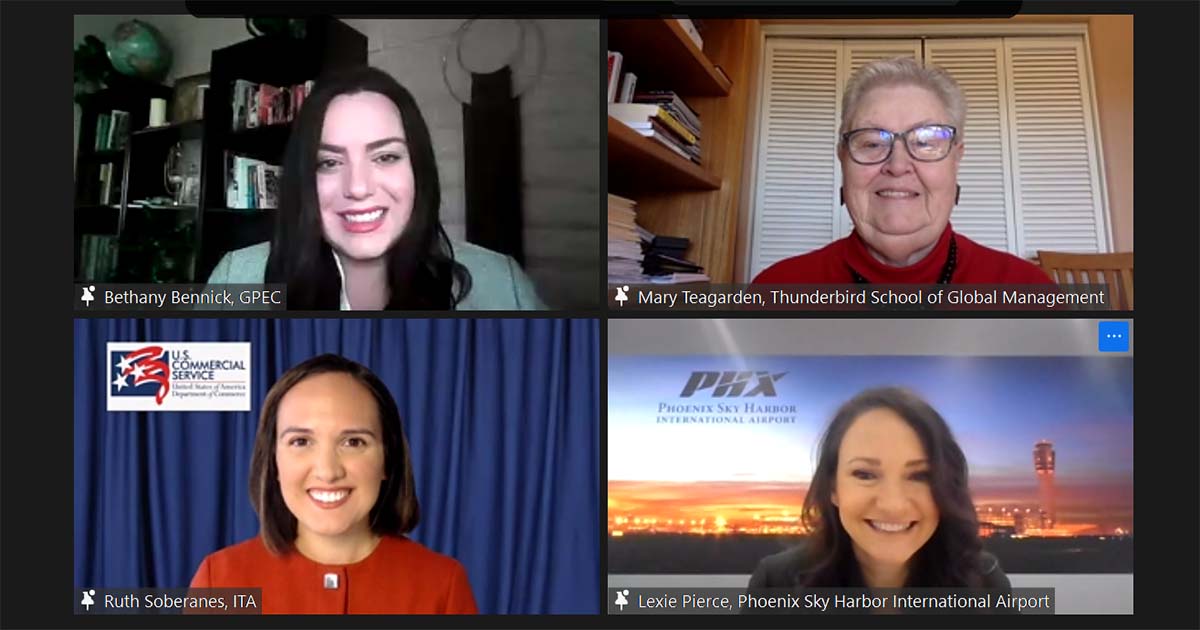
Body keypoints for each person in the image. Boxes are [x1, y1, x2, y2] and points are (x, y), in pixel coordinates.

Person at [205, 66, 545, 310]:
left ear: (418, 170)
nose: (357, 187)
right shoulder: (235, 280)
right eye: (329, 163)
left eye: (385, 157)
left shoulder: (503, 285)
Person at [190, 354, 478, 614]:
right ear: (274, 461)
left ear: (387, 460)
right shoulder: (219, 580)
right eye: (301, 441)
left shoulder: (443, 583)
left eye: (353, 442)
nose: (328, 472)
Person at [753, 57, 1053, 285]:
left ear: (956, 160)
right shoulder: (775, 290)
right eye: (871, 142)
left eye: (925, 142)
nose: (897, 166)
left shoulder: (1030, 291)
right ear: (843, 158)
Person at [747, 387, 1010, 592]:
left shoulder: (985, 584)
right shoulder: (776, 583)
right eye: (865, 474)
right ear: (833, 488)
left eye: (920, 475)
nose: (893, 504)